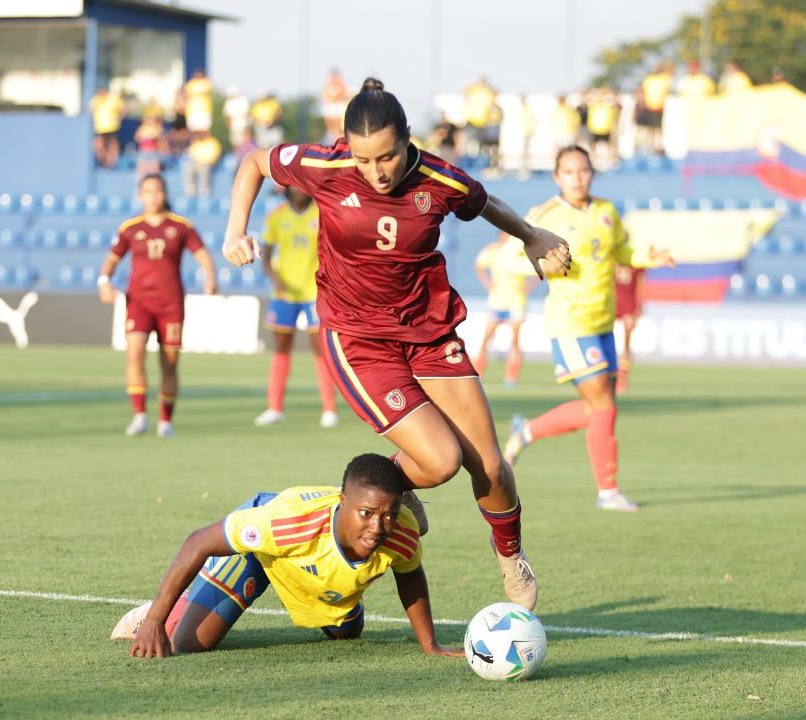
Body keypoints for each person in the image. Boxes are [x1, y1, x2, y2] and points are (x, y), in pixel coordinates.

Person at [221, 78, 574, 610]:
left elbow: (484, 202)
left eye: (386, 157)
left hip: (429, 332)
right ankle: (374, 495)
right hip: (360, 340)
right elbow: (253, 161)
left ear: (408, 140)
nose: (375, 172)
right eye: (363, 160)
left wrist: (531, 235)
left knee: (492, 466)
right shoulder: (324, 166)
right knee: (438, 462)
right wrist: (234, 231)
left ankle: (511, 560)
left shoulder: (438, 178)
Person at [116, 453, 461, 658]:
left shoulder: (400, 531)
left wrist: (430, 645)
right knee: (190, 642)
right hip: (264, 549)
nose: (378, 526)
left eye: (388, 513)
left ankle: (336, 594)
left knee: (348, 634)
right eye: (367, 513)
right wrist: (157, 622)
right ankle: (166, 609)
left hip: (314, 566)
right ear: (344, 502)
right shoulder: (284, 523)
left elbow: (411, 576)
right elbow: (197, 542)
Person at [503, 146, 674, 512]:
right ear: (556, 176)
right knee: (603, 406)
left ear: (592, 173)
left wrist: (648, 258)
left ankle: (526, 432)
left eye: (583, 170)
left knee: (598, 408)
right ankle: (607, 491)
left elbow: (622, 252)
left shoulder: (606, 211)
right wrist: (544, 266)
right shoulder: (544, 215)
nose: (577, 177)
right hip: (570, 322)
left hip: (602, 321)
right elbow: (511, 258)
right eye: (569, 171)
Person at [97, 175, 217, 438]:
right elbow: (111, 260)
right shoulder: (130, 228)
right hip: (139, 302)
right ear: (140, 195)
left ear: (165, 193)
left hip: (170, 304)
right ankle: (139, 416)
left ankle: (165, 420)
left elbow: (201, 253)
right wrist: (104, 281)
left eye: (158, 190)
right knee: (134, 354)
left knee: (170, 364)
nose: (153, 196)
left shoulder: (181, 226)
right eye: (148, 191)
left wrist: (210, 277)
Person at [254, 186, 339, 428]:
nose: (301, 188)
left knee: (320, 350)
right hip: (285, 293)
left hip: (314, 292)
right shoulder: (277, 216)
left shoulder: (322, 214)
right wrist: (275, 278)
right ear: (287, 188)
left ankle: (329, 408)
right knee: (281, 348)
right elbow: (267, 255)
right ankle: (275, 407)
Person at [472, 233, 537, 388]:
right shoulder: (493, 250)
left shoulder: (521, 251)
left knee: (515, 340)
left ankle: (510, 379)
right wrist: (488, 284)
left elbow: (539, 267)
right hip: (497, 300)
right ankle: (478, 376)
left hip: (516, 301)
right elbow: (479, 266)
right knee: (486, 338)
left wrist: (529, 286)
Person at [613, 264, 645, 395]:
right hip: (608, 304)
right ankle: (608, 376)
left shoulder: (635, 261)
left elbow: (640, 284)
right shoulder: (609, 256)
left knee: (626, 344)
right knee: (605, 339)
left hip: (628, 306)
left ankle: (622, 379)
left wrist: (638, 308)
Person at [637, 62, 672, 155]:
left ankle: (659, 146)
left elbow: (670, 73)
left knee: (659, 128)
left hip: (659, 107)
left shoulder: (663, 78)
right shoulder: (648, 79)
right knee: (650, 128)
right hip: (649, 107)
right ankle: (651, 146)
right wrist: (642, 103)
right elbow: (642, 92)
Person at [90, 87, 125, 169]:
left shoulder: (114, 99)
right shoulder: (96, 100)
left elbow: (122, 110)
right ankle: (104, 161)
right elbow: (92, 110)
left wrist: (118, 118)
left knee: (112, 145)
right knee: (99, 144)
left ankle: (111, 162)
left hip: (112, 127)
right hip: (99, 128)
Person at [184, 130, 223, 198]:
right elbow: (191, 154)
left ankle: (204, 190)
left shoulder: (213, 142)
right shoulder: (197, 142)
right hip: (198, 163)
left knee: (204, 169)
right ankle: (190, 188)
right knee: (188, 167)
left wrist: (207, 162)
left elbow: (216, 156)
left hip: (209, 164)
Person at [133, 112, 168, 182]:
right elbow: (137, 138)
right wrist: (144, 137)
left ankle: (157, 179)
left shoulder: (157, 128)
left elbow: (161, 138)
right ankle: (140, 180)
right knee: (142, 165)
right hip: (143, 150)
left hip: (153, 151)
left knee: (154, 166)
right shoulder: (142, 128)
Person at [321, 69, 350, 141]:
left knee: (337, 126)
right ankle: (331, 137)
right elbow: (324, 95)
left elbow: (345, 94)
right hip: (330, 106)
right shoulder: (327, 84)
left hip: (338, 106)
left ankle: (336, 137)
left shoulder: (341, 84)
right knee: (331, 126)